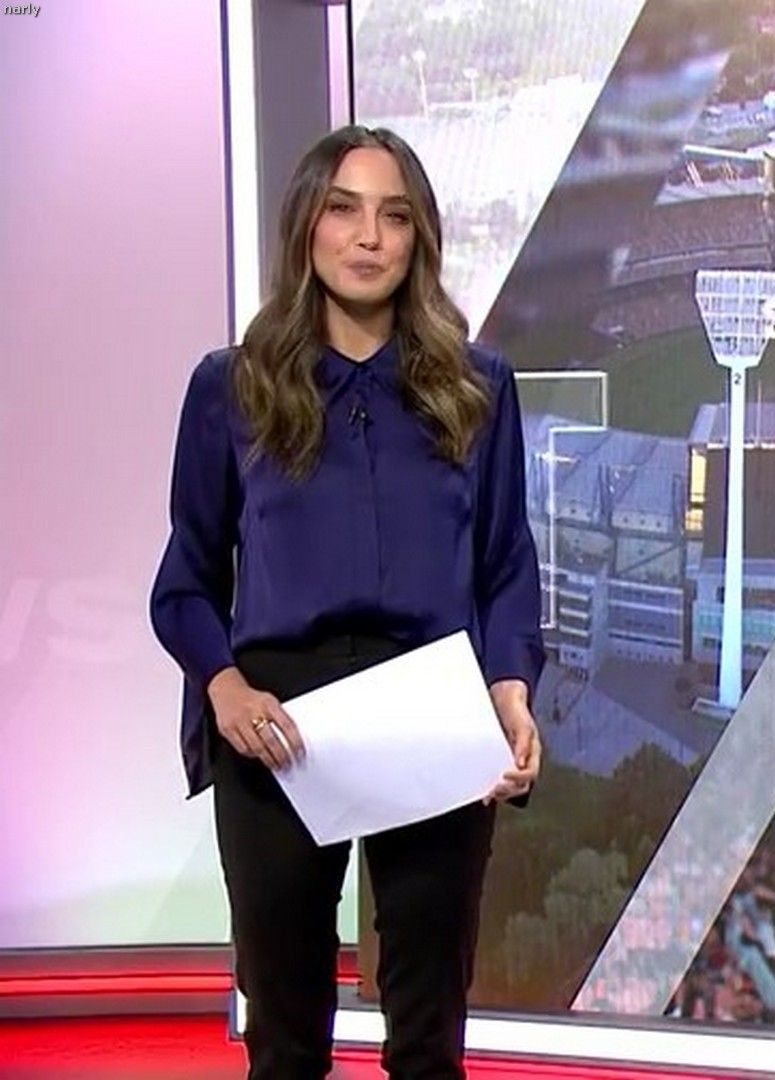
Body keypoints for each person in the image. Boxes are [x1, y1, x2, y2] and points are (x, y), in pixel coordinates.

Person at [149, 125, 545, 1079]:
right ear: (307, 228)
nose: (369, 237)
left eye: (394, 216)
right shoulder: (232, 387)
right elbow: (185, 583)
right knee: (285, 1039)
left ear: (418, 239)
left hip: (432, 711)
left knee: (428, 1036)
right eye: (344, 209)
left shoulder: (479, 387)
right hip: (277, 720)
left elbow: (505, 565)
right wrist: (224, 689)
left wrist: (511, 689)